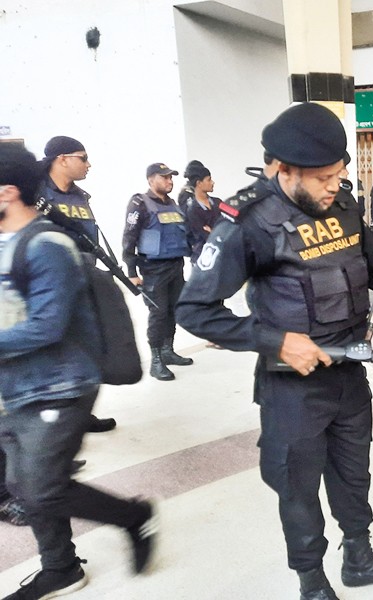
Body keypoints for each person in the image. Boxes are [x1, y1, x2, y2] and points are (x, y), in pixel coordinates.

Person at [176, 102, 373, 600]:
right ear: (284, 170)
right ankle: (311, 581)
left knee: (353, 473)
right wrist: (276, 341)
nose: (336, 184)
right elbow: (194, 310)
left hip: (349, 371)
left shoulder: (344, 205)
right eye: (324, 177)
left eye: (339, 173)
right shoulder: (248, 222)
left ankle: (359, 557)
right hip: (292, 389)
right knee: (298, 486)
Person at [0, 144, 158, 600]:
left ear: (8, 191)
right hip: (16, 386)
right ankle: (61, 568)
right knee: (22, 485)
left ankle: (133, 516)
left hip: (59, 385)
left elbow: (47, 325)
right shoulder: (6, 242)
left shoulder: (47, 245)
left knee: (42, 489)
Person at [38, 135, 117, 433]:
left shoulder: (80, 197)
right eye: (83, 158)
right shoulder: (36, 194)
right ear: (62, 160)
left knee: (85, 352)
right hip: (48, 287)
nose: (88, 164)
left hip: (83, 280)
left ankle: (80, 416)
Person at [122, 163, 194, 381]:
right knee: (158, 313)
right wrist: (132, 271)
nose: (169, 181)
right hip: (153, 269)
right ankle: (156, 360)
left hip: (176, 265)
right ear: (151, 179)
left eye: (171, 177)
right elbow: (129, 238)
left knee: (173, 310)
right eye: (164, 177)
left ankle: (167, 350)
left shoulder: (173, 205)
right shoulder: (140, 203)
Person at [183, 165, 221, 264]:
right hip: (203, 258)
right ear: (199, 183)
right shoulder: (192, 210)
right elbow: (204, 236)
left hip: (222, 254)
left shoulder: (218, 202)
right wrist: (218, 232)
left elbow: (230, 223)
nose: (212, 182)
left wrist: (212, 231)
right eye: (209, 180)